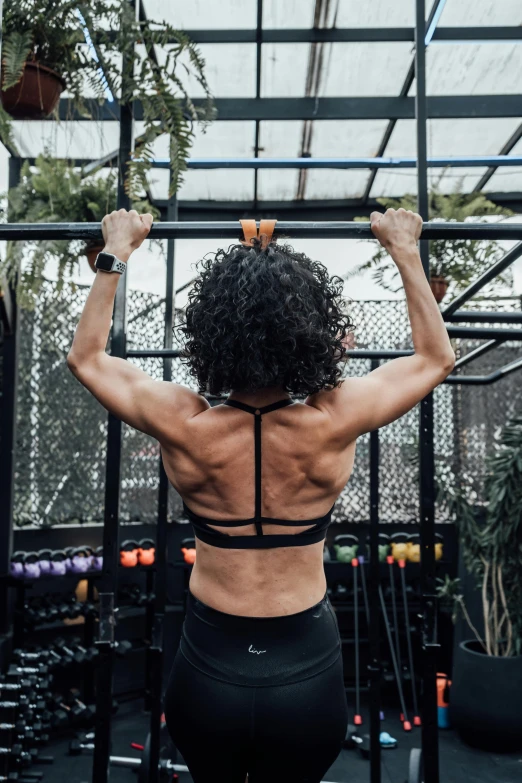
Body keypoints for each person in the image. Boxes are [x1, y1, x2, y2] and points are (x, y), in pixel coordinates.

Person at [67, 208, 455, 783]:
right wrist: (403, 249)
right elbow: (435, 358)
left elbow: (87, 358)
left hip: (208, 665)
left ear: (210, 333)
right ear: (309, 335)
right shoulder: (331, 419)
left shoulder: (184, 422)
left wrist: (117, 250)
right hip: (306, 669)